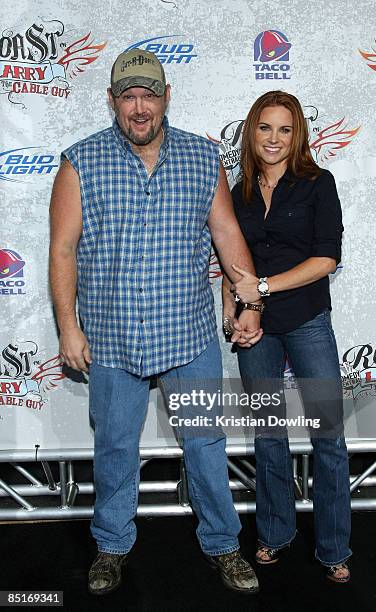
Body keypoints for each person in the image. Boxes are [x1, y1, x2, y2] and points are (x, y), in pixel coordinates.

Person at [49, 48, 264, 596]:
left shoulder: (201, 157)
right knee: (115, 446)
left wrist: (250, 302)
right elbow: (63, 250)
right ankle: (111, 545)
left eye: (149, 94)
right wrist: (68, 329)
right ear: (113, 102)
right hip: (113, 338)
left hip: (189, 337)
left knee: (206, 444)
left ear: (167, 97)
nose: (139, 107)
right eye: (128, 96)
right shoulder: (80, 162)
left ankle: (223, 544)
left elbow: (229, 238)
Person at [222, 91, 352, 583]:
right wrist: (233, 315)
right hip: (256, 331)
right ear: (251, 132)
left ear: (297, 135)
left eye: (284, 129)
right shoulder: (239, 193)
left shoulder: (319, 184)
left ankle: (334, 546)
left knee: (329, 436)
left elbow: (326, 260)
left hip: (307, 320)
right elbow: (231, 266)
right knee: (268, 436)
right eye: (265, 128)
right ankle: (274, 534)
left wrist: (263, 287)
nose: (274, 139)